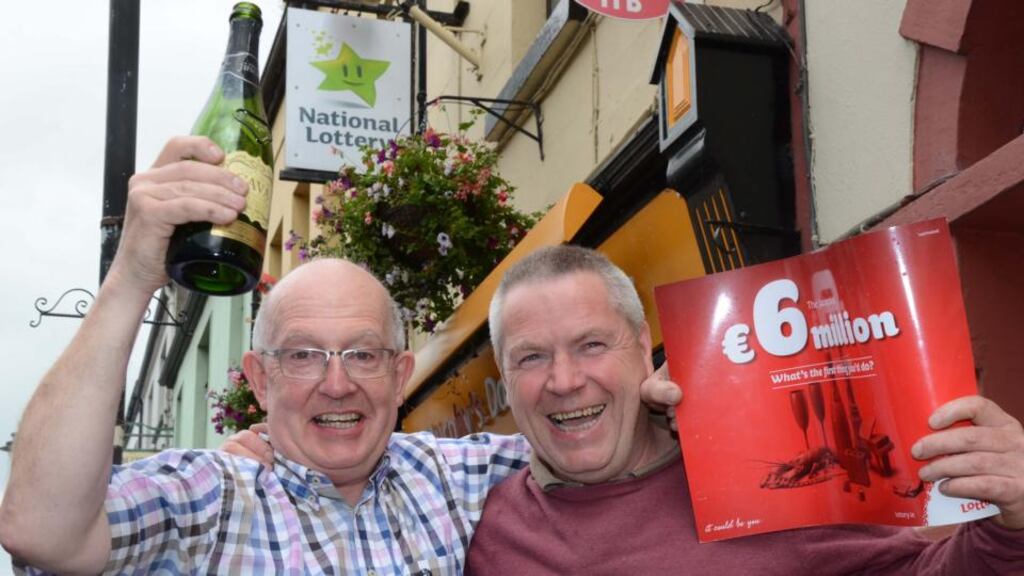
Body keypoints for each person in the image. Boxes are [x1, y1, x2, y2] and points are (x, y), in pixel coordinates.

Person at [0, 136, 678, 574]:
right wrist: (130, 279)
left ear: (401, 374)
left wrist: (674, 400)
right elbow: (38, 530)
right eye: (302, 357)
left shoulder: (460, 475)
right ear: (259, 380)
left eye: (362, 354)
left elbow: (594, 433)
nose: (336, 384)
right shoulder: (210, 495)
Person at [464, 245, 1024, 575]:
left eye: (591, 345)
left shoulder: (755, 480)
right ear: (506, 381)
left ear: (641, 346)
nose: (565, 381)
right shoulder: (480, 530)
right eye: (532, 357)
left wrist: (1014, 520)